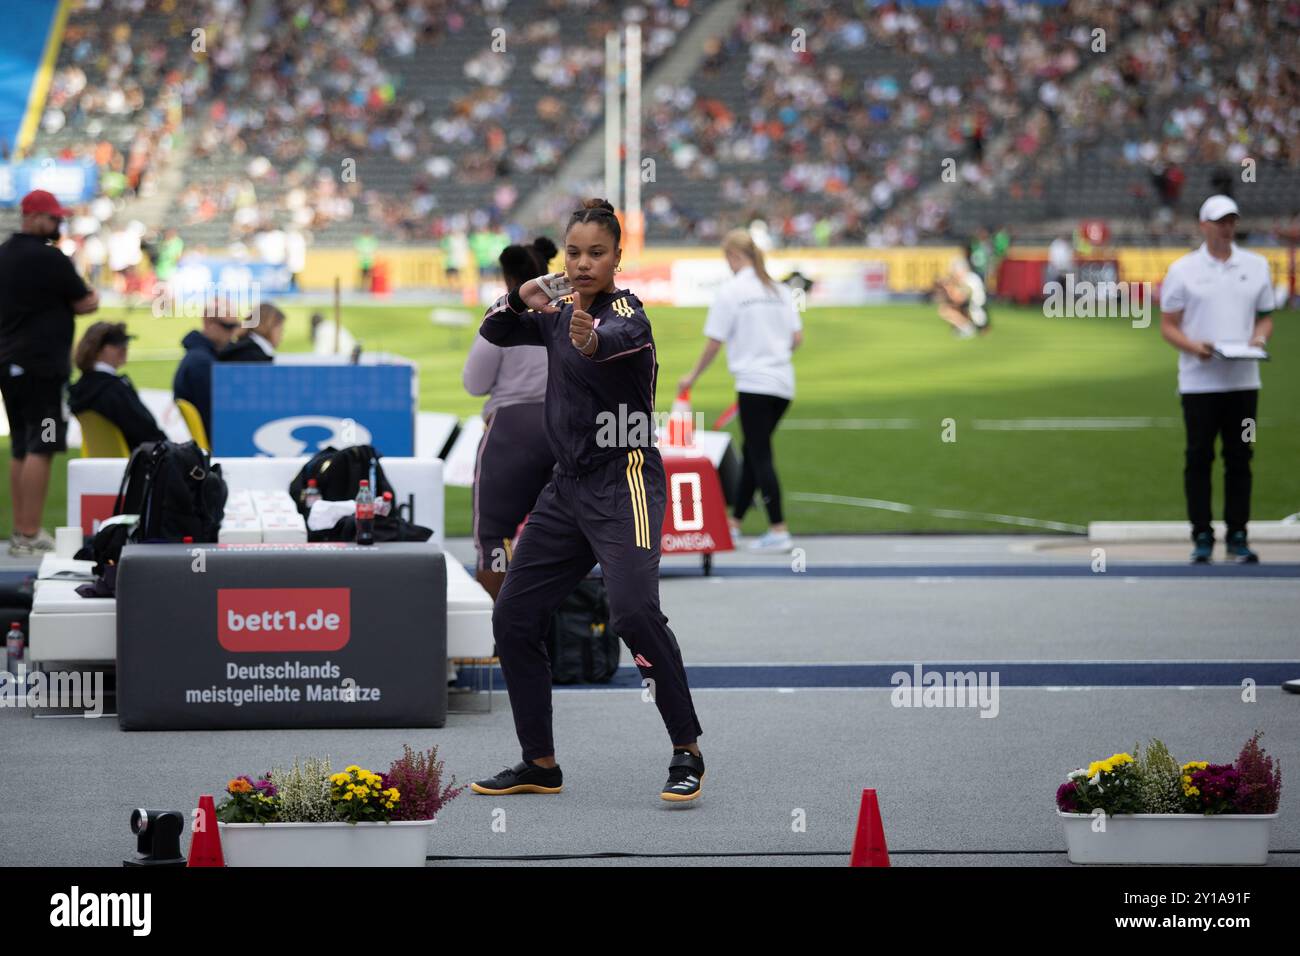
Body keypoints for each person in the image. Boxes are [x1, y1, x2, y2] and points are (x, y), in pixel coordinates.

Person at [471, 198, 705, 803]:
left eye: (595, 253)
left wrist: (589, 336)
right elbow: (495, 330)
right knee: (514, 616)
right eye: (573, 253)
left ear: (617, 258)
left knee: (633, 614)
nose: (581, 264)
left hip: (621, 476)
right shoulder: (555, 311)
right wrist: (524, 295)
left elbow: (618, 339)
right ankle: (540, 763)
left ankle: (687, 751)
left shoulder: (627, 313)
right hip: (566, 487)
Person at [1159, 195, 1274, 564]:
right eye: (1219, 221)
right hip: (1199, 384)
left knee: (1241, 456)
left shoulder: (1256, 266)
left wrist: (1259, 338)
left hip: (1244, 382)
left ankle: (1238, 535)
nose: (1226, 228)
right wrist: (1195, 347)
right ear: (1203, 225)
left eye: (1231, 221)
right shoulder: (1183, 270)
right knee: (1199, 457)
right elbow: (1168, 326)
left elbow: (1265, 315)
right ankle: (1202, 535)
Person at [678, 229, 803, 553]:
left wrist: (691, 376)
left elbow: (714, 341)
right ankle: (733, 524)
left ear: (733, 256)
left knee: (760, 454)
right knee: (753, 450)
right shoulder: (778, 289)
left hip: (753, 382)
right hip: (783, 383)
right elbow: (796, 339)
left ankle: (778, 527)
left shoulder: (732, 291)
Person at [0, 190, 100, 556]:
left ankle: (19, 530)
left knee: (21, 448)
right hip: (42, 370)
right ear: (34, 217)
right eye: (53, 219)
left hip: (10, 366)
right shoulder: (50, 258)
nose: (58, 225)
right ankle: (29, 533)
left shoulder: (4, 254)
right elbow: (85, 299)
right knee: (42, 446)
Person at [462, 237, 558, 600]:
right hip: (563, 428)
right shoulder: (566, 312)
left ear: (508, 278)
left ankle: (494, 635)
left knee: (494, 538)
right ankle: (565, 635)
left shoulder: (504, 316)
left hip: (510, 434)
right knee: (562, 535)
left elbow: (474, 383)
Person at [67, 322, 165, 451]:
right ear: (98, 349)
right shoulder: (114, 390)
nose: (124, 349)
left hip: (103, 461)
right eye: (118, 345)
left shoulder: (81, 389)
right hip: (138, 461)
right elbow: (145, 430)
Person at [173, 304, 241, 435]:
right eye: (228, 327)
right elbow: (216, 418)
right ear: (209, 324)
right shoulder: (201, 364)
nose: (233, 333)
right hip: (219, 442)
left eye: (236, 326)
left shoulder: (201, 358)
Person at [935, 256, 990, 338]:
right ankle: (965, 327)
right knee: (949, 307)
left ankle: (967, 329)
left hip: (976, 313)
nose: (954, 274)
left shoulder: (970, 280)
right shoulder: (969, 278)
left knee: (945, 310)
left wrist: (948, 289)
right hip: (974, 309)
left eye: (955, 272)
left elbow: (959, 299)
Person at [218, 304, 286, 362]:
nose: (281, 334)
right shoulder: (253, 355)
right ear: (268, 326)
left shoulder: (244, 347)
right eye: (280, 329)